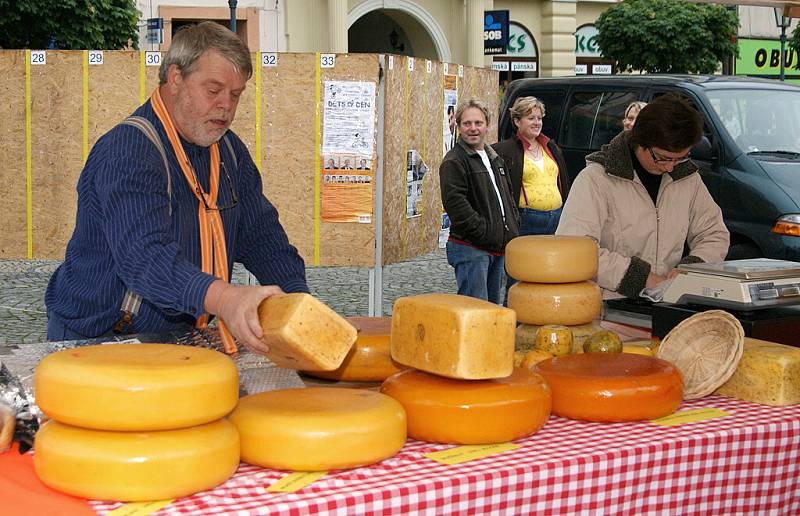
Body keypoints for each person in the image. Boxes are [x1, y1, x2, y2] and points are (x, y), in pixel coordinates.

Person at [45, 22, 308, 354]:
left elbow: (261, 236)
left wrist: (300, 303)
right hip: (98, 338)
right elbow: (146, 258)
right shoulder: (128, 151)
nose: (226, 105)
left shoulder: (229, 151)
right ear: (175, 78)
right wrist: (226, 298)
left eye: (236, 94)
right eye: (213, 90)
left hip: (176, 335)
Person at [556, 94, 729, 299]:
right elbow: (575, 250)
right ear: (640, 141)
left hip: (668, 303)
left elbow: (714, 234)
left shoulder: (687, 179)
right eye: (662, 158)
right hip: (608, 308)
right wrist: (640, 277)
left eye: (680, 158)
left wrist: (693, 267)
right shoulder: (595, 180)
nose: (670, 166)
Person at [440, 99, 519, 304]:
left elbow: (507, 198)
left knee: (491, 311)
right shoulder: (454, 161)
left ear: (487, 125)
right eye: (467, 123)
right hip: (471, 248)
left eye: (478, 123)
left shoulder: (494, 157)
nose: (473, 129)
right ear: (458, 126)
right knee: (475, 311)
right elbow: (456, 205)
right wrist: (483, 231)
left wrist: (511, 226)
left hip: (496, 248)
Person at [493, 96, 570, 303]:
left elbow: (563, 180)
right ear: (517, 121)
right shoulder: (505, 150)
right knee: (519, 276)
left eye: (539, 118)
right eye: (530, 118)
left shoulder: (550, 147)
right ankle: (514, 321)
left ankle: (541, 317)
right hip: (526, 221)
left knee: (547, 274)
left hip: (556, 219)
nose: (537, 123)